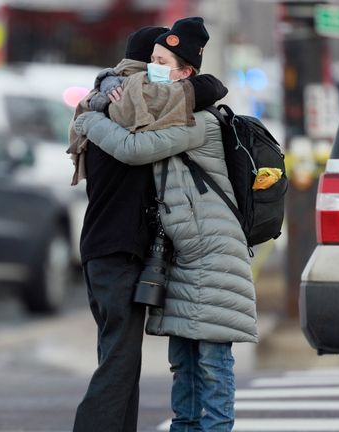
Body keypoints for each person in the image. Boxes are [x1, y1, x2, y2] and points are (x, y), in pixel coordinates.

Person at [74, 17, 257, 432]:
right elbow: (136, 104)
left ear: (184, 73)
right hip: (176, 256)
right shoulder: (154, 107)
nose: (153, 71)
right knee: (180, 364)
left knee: (209, 363)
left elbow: (136, 148)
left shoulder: (193, 120)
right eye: (151, 60)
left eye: (163, 61)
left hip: (211, 255)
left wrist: (88, 116)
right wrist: (103, 89)